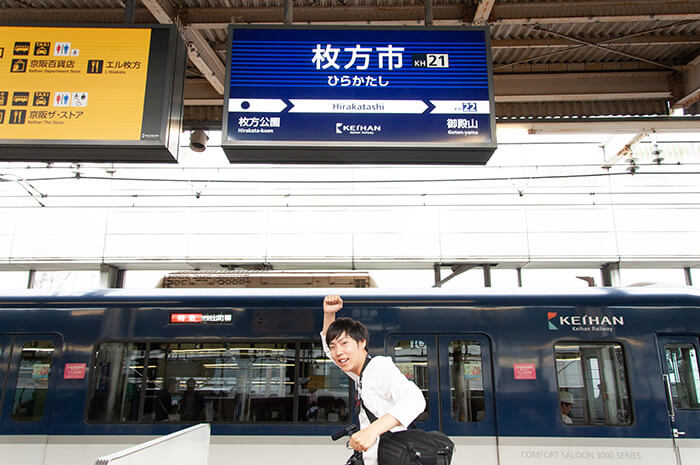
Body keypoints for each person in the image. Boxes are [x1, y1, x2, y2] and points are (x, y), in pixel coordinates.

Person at [322, 295, 425, 465]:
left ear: (362, 342)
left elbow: (415, 400)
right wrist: (329, 315)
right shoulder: (360, 373)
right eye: (334, 347)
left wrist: (372, 431)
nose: (338, 352)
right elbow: (329, 351)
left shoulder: (378, 367)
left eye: (344, 343)